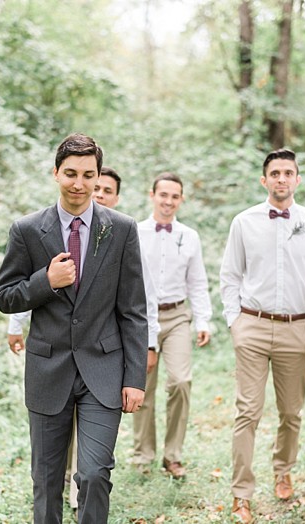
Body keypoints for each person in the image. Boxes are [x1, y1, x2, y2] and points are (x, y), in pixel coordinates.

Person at [0, 134, 148, 524]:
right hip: (48, 370)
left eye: (88, 175)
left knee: (94, 474)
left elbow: (133, 311)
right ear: (56, 173)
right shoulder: (27, 230)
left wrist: (135, 378)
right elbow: (5, 296)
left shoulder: (122, 229)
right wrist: (46, 280)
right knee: (46, 481)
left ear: (98, 178)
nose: (79, 183)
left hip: (104, 369)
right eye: (71, 173)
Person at [220, 149, 305, 523]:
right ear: (264, 180)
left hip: (299, 329)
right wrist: (236, 322)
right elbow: (230, 275)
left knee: (291, 412)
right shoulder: (243, 222)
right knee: (247, 411)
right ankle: (241, 494)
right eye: (275, 173)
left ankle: (283, 470)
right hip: (253, 325)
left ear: (297, 179)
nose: (281, 178)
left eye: (288, 173)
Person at [132, 172, 212, 479]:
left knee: (180, 382)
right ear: (151, 195)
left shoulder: (190, 236)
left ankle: (173, 455)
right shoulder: (134, 232)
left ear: (181, 200)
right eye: (163, 195)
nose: (168, 201)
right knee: (143, 388)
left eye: (175, 196)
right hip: (141, 319)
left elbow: (198, 281)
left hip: (178, 316)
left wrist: (202, 319)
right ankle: (143, 455)